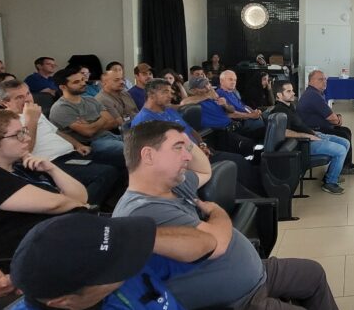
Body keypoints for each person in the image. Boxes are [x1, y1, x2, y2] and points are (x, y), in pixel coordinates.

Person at [113, 120, 339, 310]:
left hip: (256, 274)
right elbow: (215, 243)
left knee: (313, 274)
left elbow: (204, 170)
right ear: (148, 155)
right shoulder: (144, 210)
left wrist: (186, 140)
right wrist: (216, 212)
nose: (186, 156)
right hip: (240, 300)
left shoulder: (172, 185)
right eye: (178, 148)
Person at [0, 110, 91, 259]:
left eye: (24, 131)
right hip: (23, 256)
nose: (27, 138)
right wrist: (81, 206)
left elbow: (81, 196)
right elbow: (54, 204)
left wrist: (52, 169)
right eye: (17, 135)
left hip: (53, 240)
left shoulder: (21, 166)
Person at [10, 213, 218, 310]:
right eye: (117, 270)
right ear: (65, 302)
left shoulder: (119, 258)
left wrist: (126, 236)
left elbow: (206, 244)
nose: (128, 270)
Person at [0, 79, 121, 206]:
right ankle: (80, 209)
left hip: (72, 155)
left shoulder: (35, 112)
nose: (27, 99)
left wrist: (78, 145)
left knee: (123, 161)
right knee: (106, 173)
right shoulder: (6, 122)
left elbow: (56, 132)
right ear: (5, 102)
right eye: (19, 97)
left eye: (28, 94)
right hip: (49, 163)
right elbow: (26, 149)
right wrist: (30, 120)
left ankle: (110, 206)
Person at [131, 79, 263, 195]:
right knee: (230, 169)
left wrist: (202, 145)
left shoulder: (168, 110)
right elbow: (159, 155)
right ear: (151, 95)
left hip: (200, 152)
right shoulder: (144, 120)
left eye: (170, 92)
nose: (170, 95)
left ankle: (261, 197)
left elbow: (191, 130)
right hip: (184, 163)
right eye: (165, 92)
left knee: (238, 161)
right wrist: (193, 156)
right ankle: (255, 203)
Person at [272, 80, 349, 195]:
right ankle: (330, 183)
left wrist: (313, 133)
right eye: (288, 91)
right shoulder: (280, 111)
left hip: (312, 135)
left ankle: (331, 175)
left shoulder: (289, 106)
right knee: (341, 150)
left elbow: (300, 126)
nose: (293, 93)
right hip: (303, 143)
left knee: (345, 143)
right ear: (279, 95)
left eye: (292, 90)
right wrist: (307, 136)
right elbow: (284, 132)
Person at [48, 66, 126, 170]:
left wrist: (90, 123)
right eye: (76, 82)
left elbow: (112, 121)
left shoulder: (90, 100)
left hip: (111, 136)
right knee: (133, 150)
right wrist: (101, 119)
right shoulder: (61, 108)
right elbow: (88, 132)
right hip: (93, 144)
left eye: (82, 80)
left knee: (148, 143)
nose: (83, 83)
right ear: (63, 87)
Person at [297, 70, 354, 175]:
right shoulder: (313, 95)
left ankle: (346, 165)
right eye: (320, 79)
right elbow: (331, 118)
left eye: (325, 79)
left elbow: (329, 114)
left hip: (320, 126)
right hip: (314, 130)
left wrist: (336, 118)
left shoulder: (316, 93)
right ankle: (343, 167)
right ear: (310, 81)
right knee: (343, 134)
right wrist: (337, 120)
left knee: (346, 131)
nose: (324, 82)